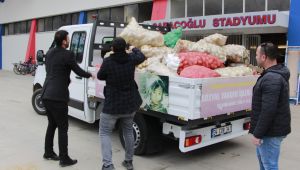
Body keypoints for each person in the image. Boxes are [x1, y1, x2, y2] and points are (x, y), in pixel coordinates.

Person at [41, 30, 93, 167]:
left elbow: (50, 71)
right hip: (58, 96)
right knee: (63, 127)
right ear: (64, 41)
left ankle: (48, 152)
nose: (69, 40)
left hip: (46, 93)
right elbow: (78, 71)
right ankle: (64, 159)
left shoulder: (50, 52)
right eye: (68, 38)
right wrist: (91, 75)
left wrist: (63, 79)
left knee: (52, 124)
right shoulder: (68, 54)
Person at [97, 37, 145, 170]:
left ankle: (108, 165)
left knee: (104, 132)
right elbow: (141, 56)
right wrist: (133, 48)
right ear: (124, 48)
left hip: (112, 104)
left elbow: (100, 76)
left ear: (112, 48)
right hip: (129, 104)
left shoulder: (108, 62)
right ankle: (128, 162)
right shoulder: (131, 59)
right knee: (128, 132)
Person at [250, 42, 291, 170]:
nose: (255, 57)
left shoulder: (271, 78)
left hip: (270, 132)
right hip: (270, 130)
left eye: (257, 54)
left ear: (264, 57)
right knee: (264, 163)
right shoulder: (273, 75)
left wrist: (258, 134)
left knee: (269, 165)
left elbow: (268, 110)